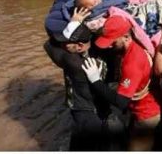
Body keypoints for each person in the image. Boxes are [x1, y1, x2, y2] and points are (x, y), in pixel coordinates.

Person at [43, 9, 126, 150]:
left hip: (84, 110)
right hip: (101, 105)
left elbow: (48, 45)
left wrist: (73, 22)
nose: (64, 46)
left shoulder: (73, 62)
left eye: (67, 44)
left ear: (80, 46)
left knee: (83, 145)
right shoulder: (104, 49)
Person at [81, 15, 161, 151]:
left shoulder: (132, 64)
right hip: (147, 106)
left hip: (146, 115)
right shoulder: (136, 45)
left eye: (112, 41)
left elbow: (121, 102)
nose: (109, 45)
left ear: (126, 36)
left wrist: (96, 81)